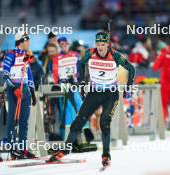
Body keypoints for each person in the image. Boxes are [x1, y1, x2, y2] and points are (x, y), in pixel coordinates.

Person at [48, 31, 135, 167]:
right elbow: (79, 64)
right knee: (78, 122)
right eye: (98, 44)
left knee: (104, 121)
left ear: (107, 44)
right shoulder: (90, 53)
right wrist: (82, 81)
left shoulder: (115, 55)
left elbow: (131, 68)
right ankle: (65, 150)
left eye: (103, 44)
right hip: (94, 93)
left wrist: (128, 87)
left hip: (110, 94)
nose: (100, 47)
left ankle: (106, 154)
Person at [3, 32, 36, 159]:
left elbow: (28, 74)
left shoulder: (26, 55)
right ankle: (12, 149)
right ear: (21, 42)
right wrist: (14, 89)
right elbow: (5, 75)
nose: (29, 42)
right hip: (14, 91)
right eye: (27, 40)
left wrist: (32, 93)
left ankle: (23, 149)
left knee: (24, 122)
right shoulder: (11, 54)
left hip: (25, 90)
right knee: (12, 120)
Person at [52, 36, 83, 139]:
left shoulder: (75, 55)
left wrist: (77, 78)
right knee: (65, 109)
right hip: (63, 85)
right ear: (59, 45)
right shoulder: (56, 58)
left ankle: (80, 136)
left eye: (65, 44)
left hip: (74, 85)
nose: (64, 46)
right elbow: (55, 74)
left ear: (68, 44)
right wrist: (57, 83)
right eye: (61, 44)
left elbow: (80, 70)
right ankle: (65, 136)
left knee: (80, 106)